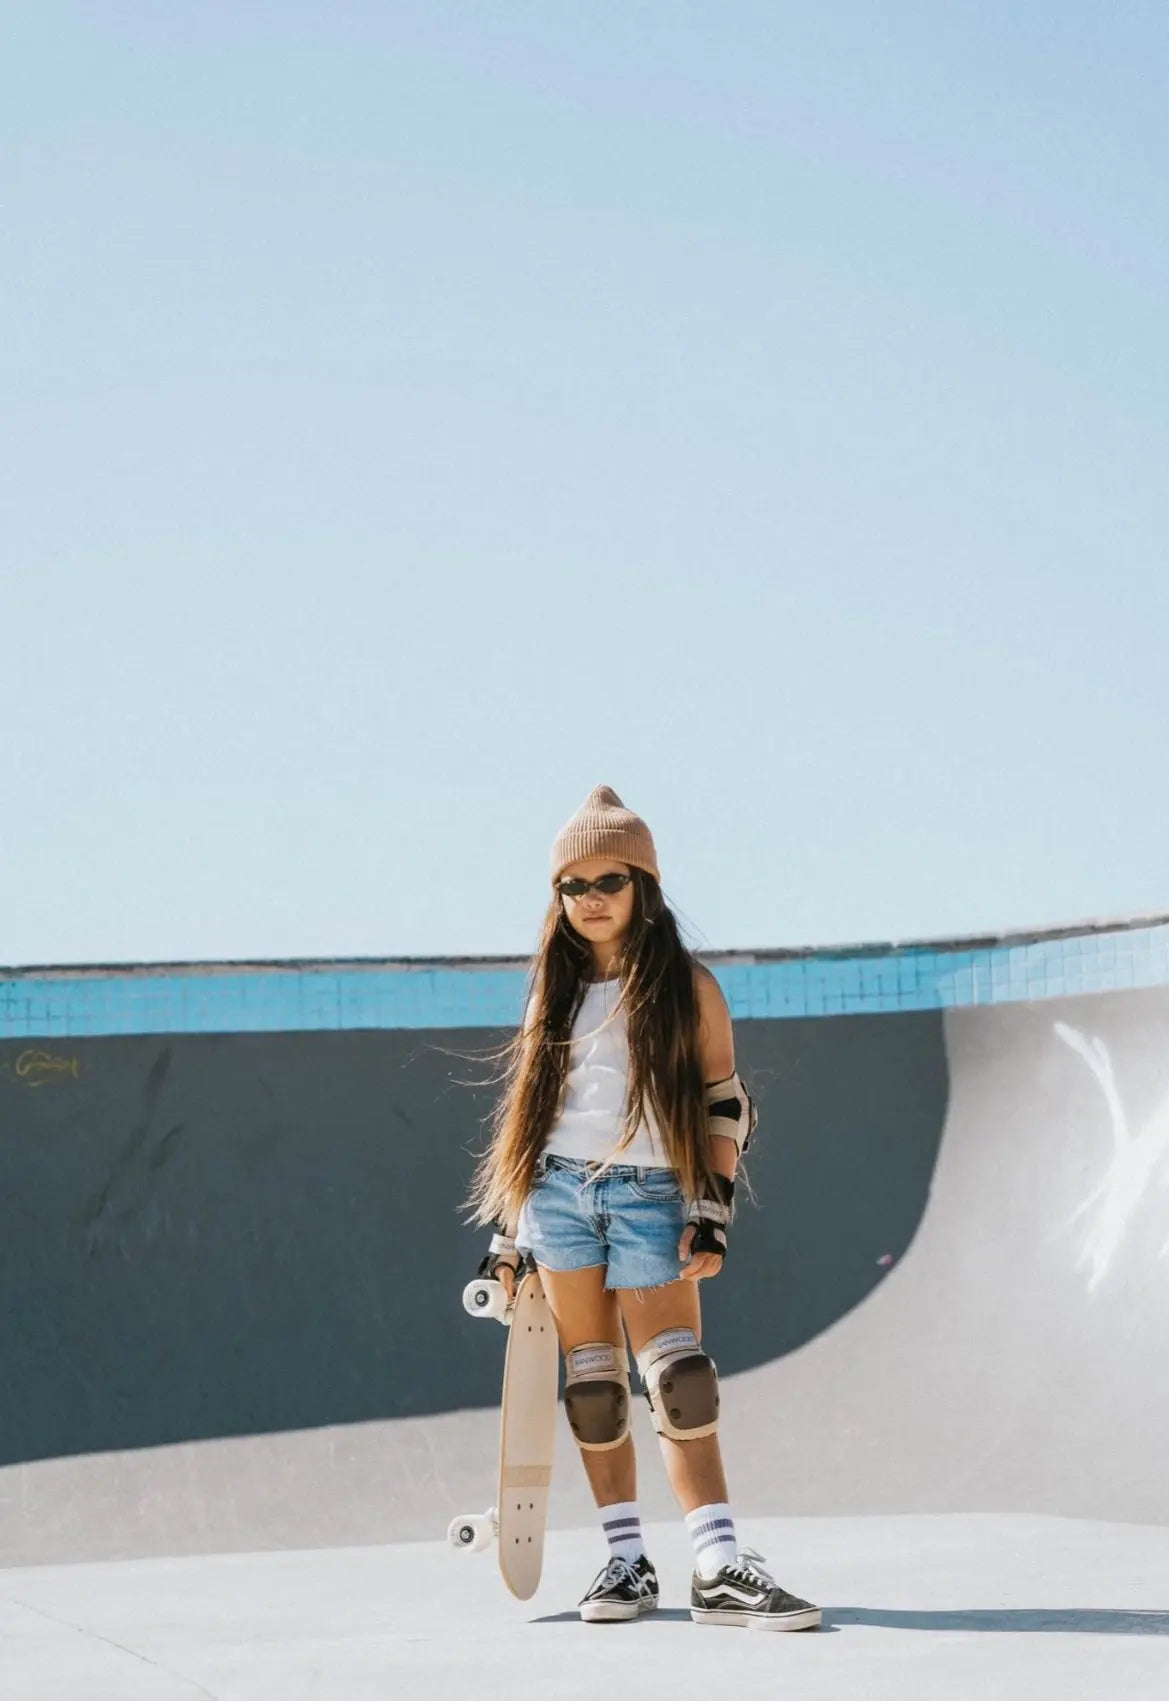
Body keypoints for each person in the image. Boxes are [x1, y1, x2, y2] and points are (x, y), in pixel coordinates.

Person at [466, 785, 820, 1630]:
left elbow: (722, 1101)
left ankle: (718, 1561)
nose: (590, 899)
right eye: (572, 884)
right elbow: (529, 1118)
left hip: (654, 1190)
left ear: (643, 886)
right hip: (554, 1193)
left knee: (678, 1377)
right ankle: (625, 1560)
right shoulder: (548, 989)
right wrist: (508, 1233)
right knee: (592, 1386)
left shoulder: (687, 987)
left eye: (608, 880)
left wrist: (713, 1206)